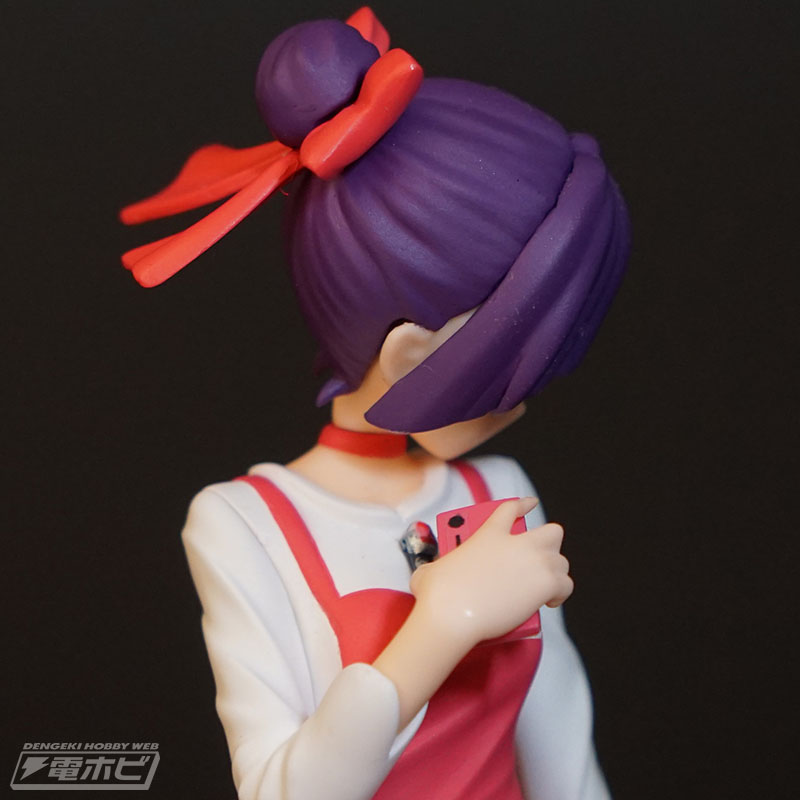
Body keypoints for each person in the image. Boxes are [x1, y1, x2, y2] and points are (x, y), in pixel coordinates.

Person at [121, 9, 630, 799]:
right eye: (505, 375)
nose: (522, 404)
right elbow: (281, 789)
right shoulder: (244, 524)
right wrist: (440, 628)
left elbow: (560, 740)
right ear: (409, 357)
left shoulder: (497, 491)